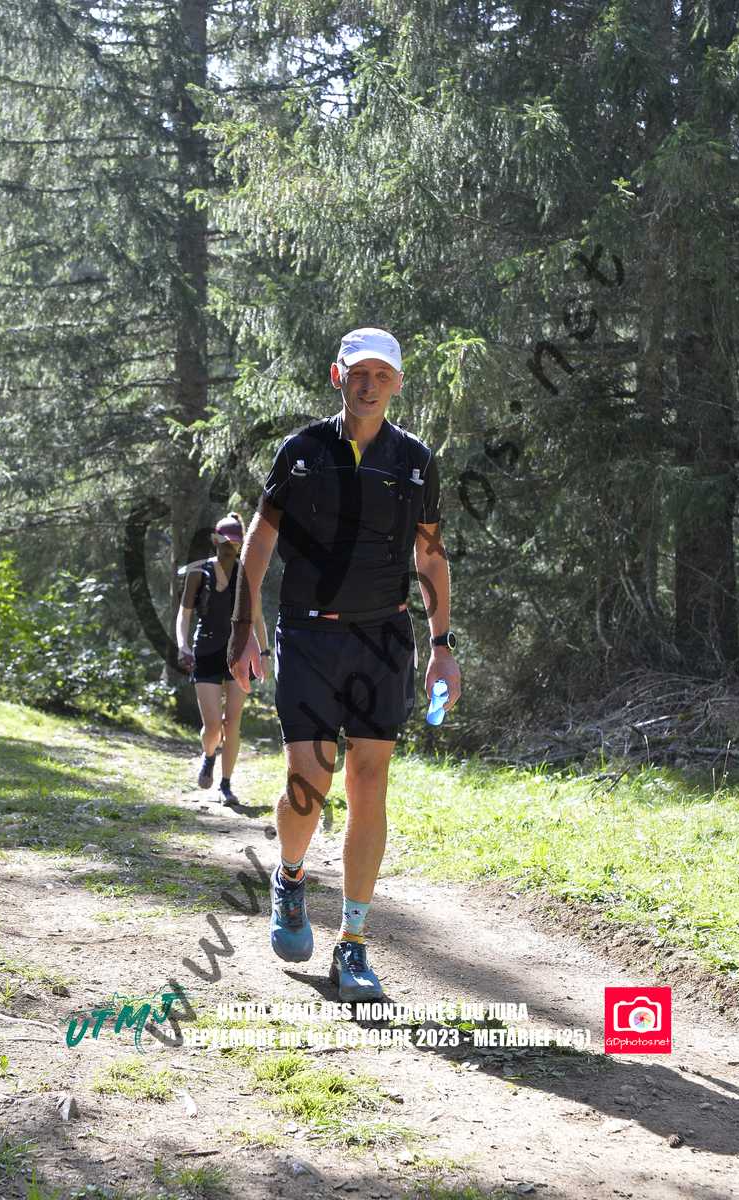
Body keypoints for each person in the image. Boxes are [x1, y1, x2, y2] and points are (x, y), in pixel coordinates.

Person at [227, 328, 461, 1001]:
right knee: (309, 777)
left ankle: (353, 944)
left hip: (383, 637)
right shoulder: (301, 451)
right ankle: (290, 875)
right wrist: (244, 629)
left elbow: (429, 556)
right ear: (338, 376)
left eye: (381, 376)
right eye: (358, 373)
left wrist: (442, 646)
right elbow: (260, 539)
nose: (368, 385)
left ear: (397, 384)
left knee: (368, 780)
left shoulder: (414, 460)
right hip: (307, 634)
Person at [176, 512, 269, 805]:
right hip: (205, 651)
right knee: (214, 725)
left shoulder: (246, 575)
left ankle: (226, 785)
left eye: (235, 543)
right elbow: (184, 615)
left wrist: (264, 653)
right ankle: (208, 755)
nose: (230, 548)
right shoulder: (199, 573)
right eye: (225, 543)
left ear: (241, 545)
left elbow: (257, 618)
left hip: (239, 652)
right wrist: (183, 645)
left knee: (233, 723)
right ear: (215, 541)